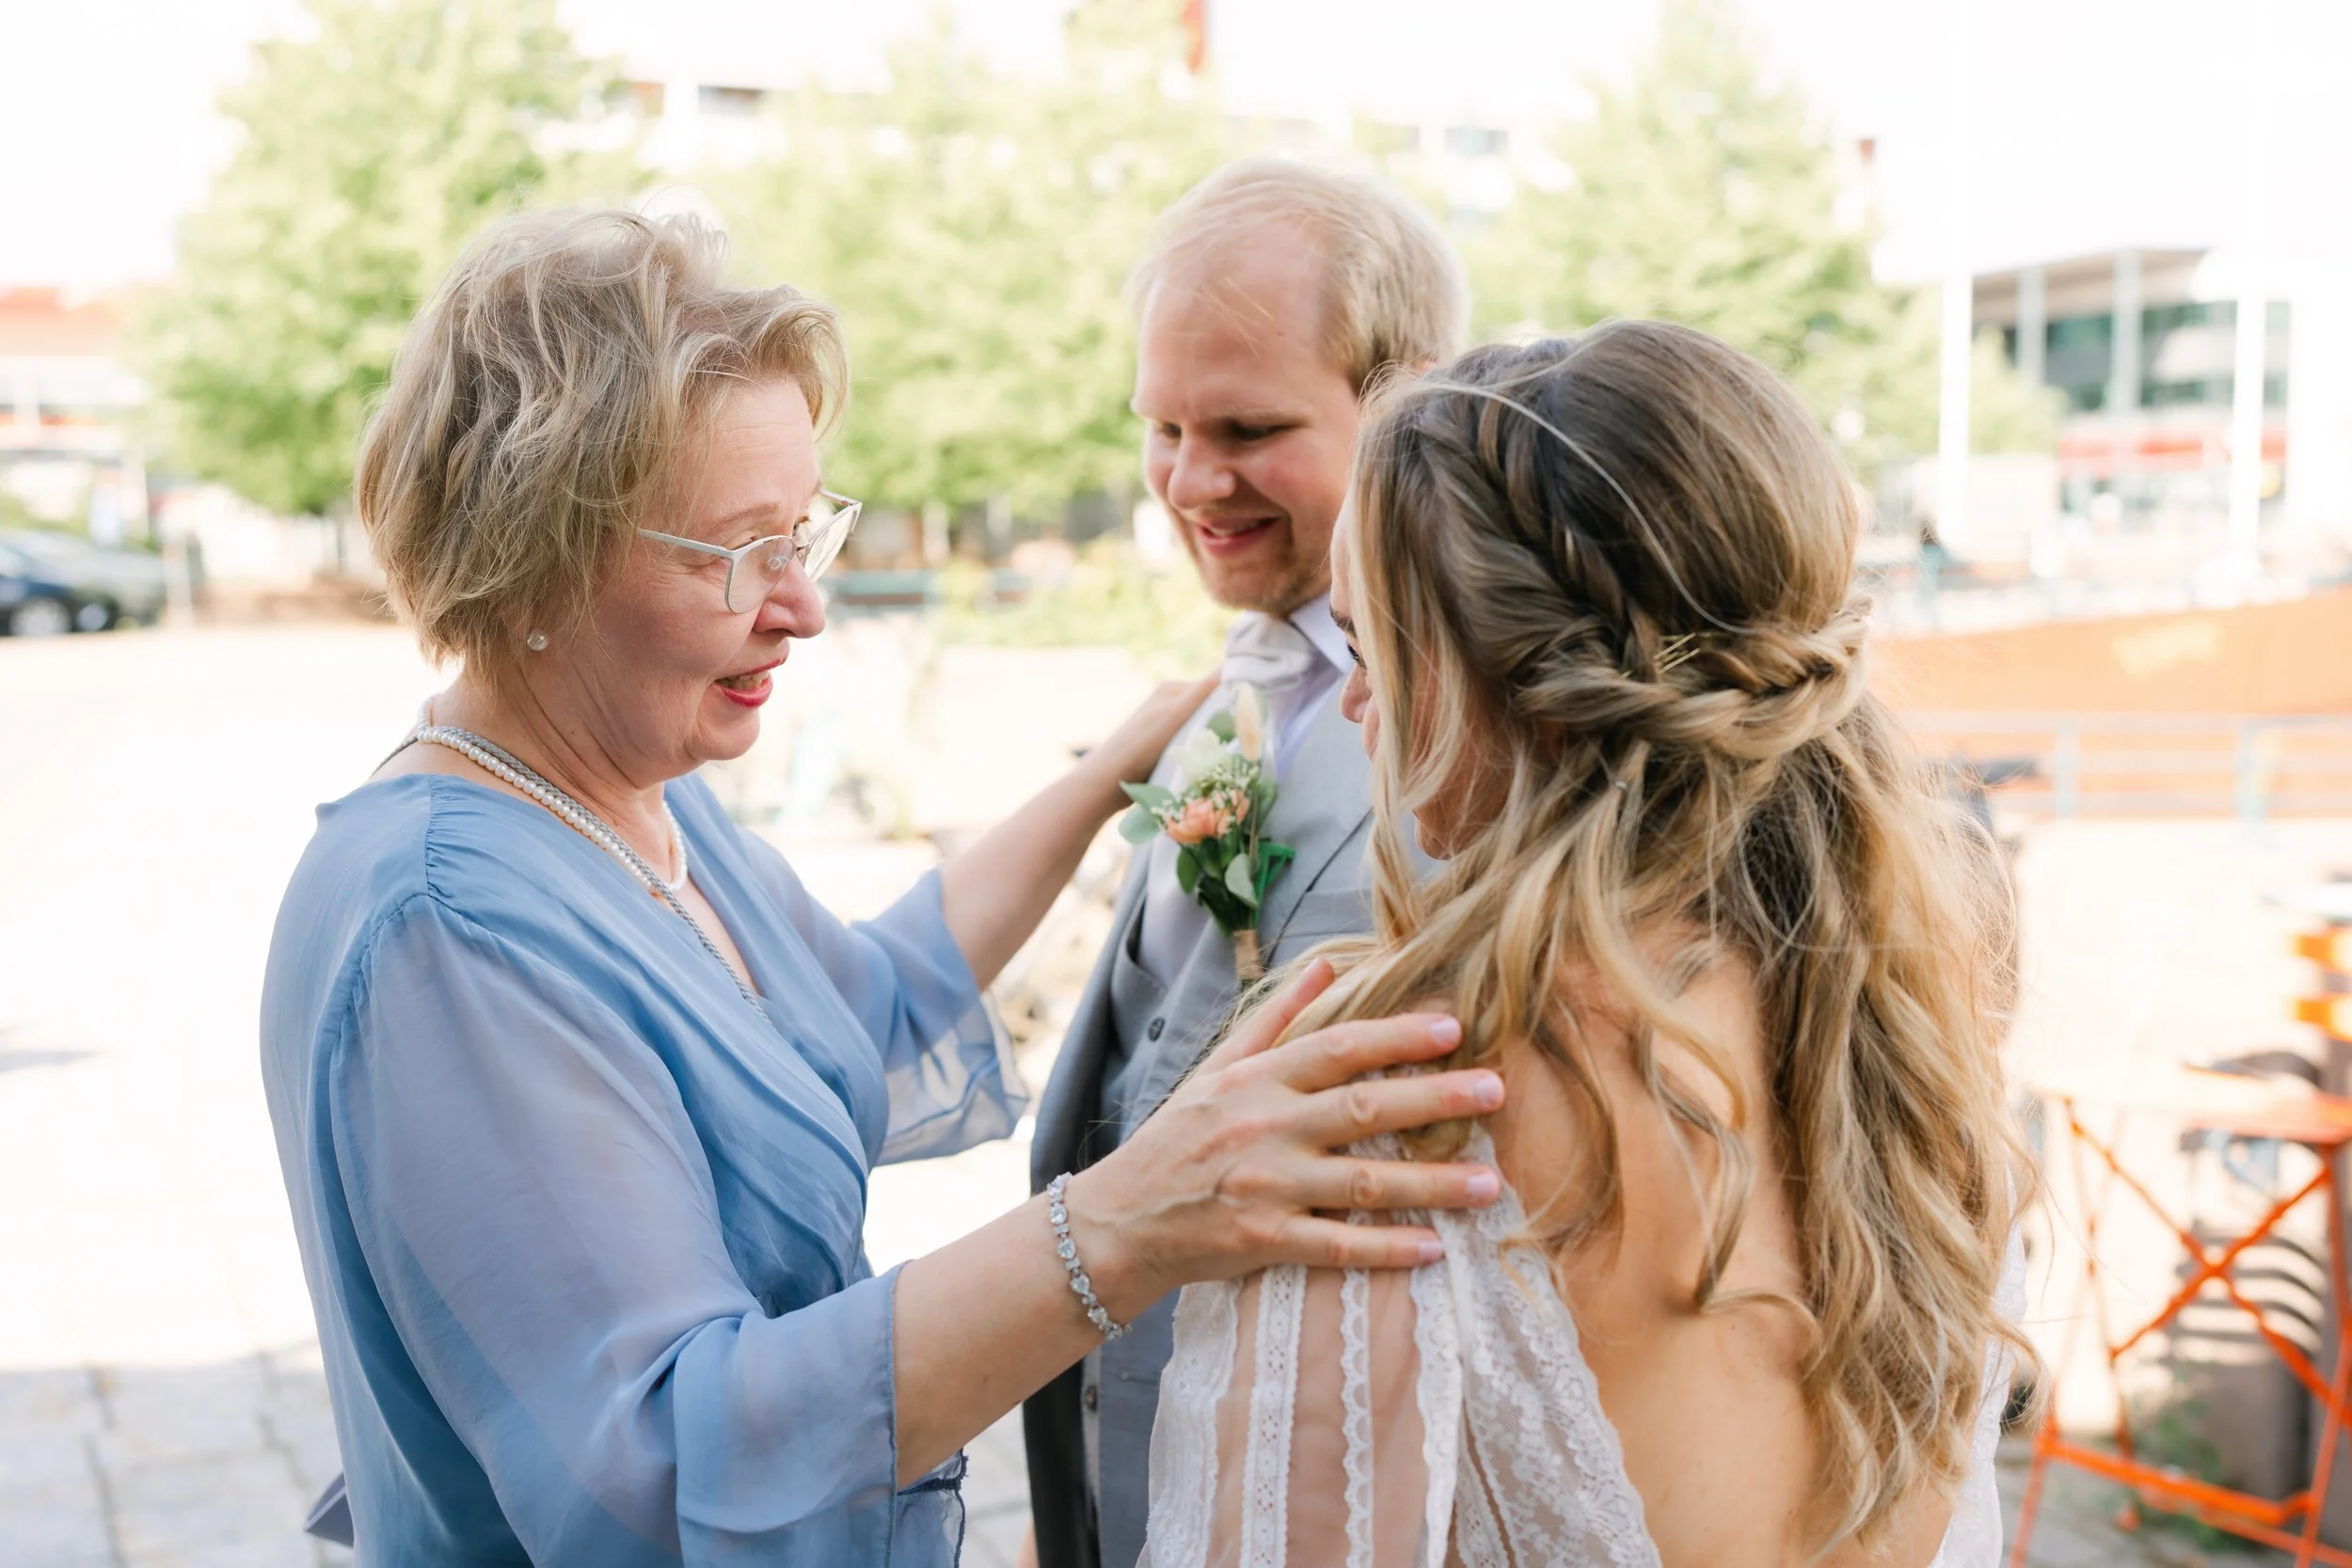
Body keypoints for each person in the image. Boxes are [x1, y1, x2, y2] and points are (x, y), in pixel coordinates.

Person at [258, 207, 1512, 1567]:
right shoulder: (448, 931)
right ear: (534, 546)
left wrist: (1112, 773)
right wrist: (1125, 1224)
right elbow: (661, 1461)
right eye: (744, 551)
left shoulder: (644, 802)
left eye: (809, 533)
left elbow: (876, 993)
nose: (804, 605)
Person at [1136, 324, 2034, 1568]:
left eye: (1376, 646)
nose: (1357, 702)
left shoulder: (1397, 1093)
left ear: (1514, 681)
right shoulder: (1916, 1056)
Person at [1023, 157, 1468, 1568]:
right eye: (1162, 426)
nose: (1190, 483)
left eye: (1250, 427)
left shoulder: (1490, 741)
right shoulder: (1229, 698)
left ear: (1405, 395)